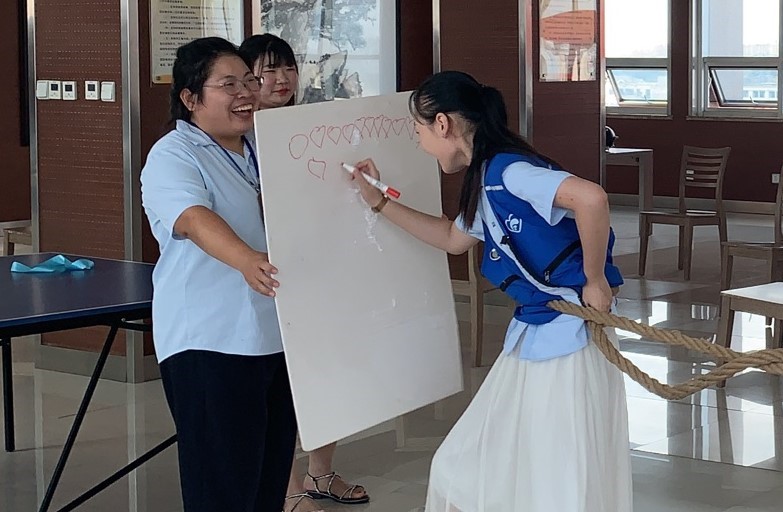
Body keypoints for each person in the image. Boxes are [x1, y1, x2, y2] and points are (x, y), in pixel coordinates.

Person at [348, 71, 633, 511]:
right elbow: (452, 238)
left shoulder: (509, 172)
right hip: (540, 328)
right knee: (488, 461)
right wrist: (379, 203)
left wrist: (594, 279)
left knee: (557, 463)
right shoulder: (487, 181)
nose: (420, 142)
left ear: (442, 124)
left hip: (567, 332)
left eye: (419, 130)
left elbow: (591, 199)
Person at [140, 37, 297, 512]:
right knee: (223, 489)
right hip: (210, 341)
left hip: (276, 336)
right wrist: (246, 258)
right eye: (228, 84)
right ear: (191, 98)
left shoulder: (263, 145)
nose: (245, 92)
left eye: (249, 80)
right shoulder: (174, 154)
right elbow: (192, 218)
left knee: (267, 481)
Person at [238, 33, 370, 512]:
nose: (281, 79)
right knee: (281, 381)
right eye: (267, 70)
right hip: (269, 270)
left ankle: (321, 472)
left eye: (288, 68)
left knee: (325, 372)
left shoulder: (312, 125)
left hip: (319, 265)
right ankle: (288, 487)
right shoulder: (240, 136)